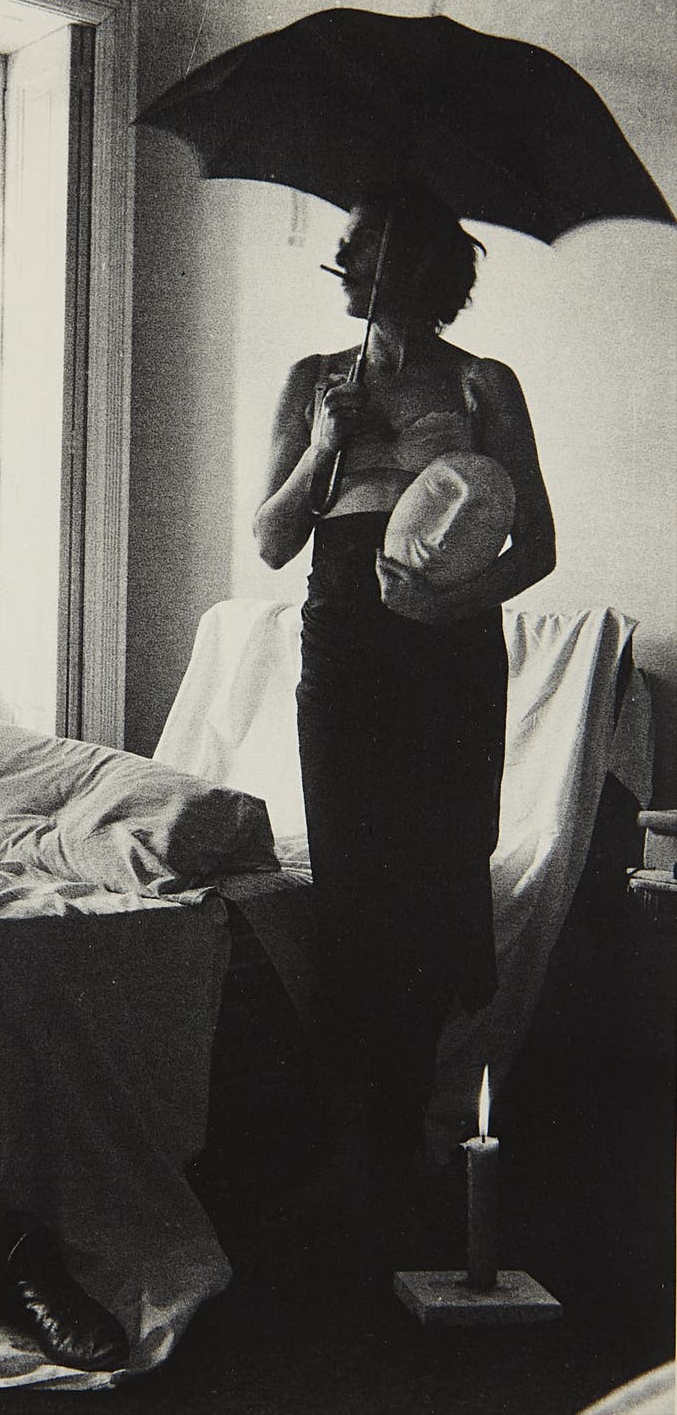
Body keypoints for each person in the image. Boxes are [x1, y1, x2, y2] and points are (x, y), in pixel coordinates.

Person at [251, 180, 556, 1219]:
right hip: (342, 652)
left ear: (419, 265)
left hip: (448, 658)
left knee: (437, 881)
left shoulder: (481, 384)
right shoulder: (313, 380)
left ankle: (401, 1138)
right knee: (354, 887)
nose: (344, 260)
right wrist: (325, 447)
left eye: (365, 244)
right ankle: (349, 1143)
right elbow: (270, 542)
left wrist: (447, 603)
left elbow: (538, 547)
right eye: (344, 244)